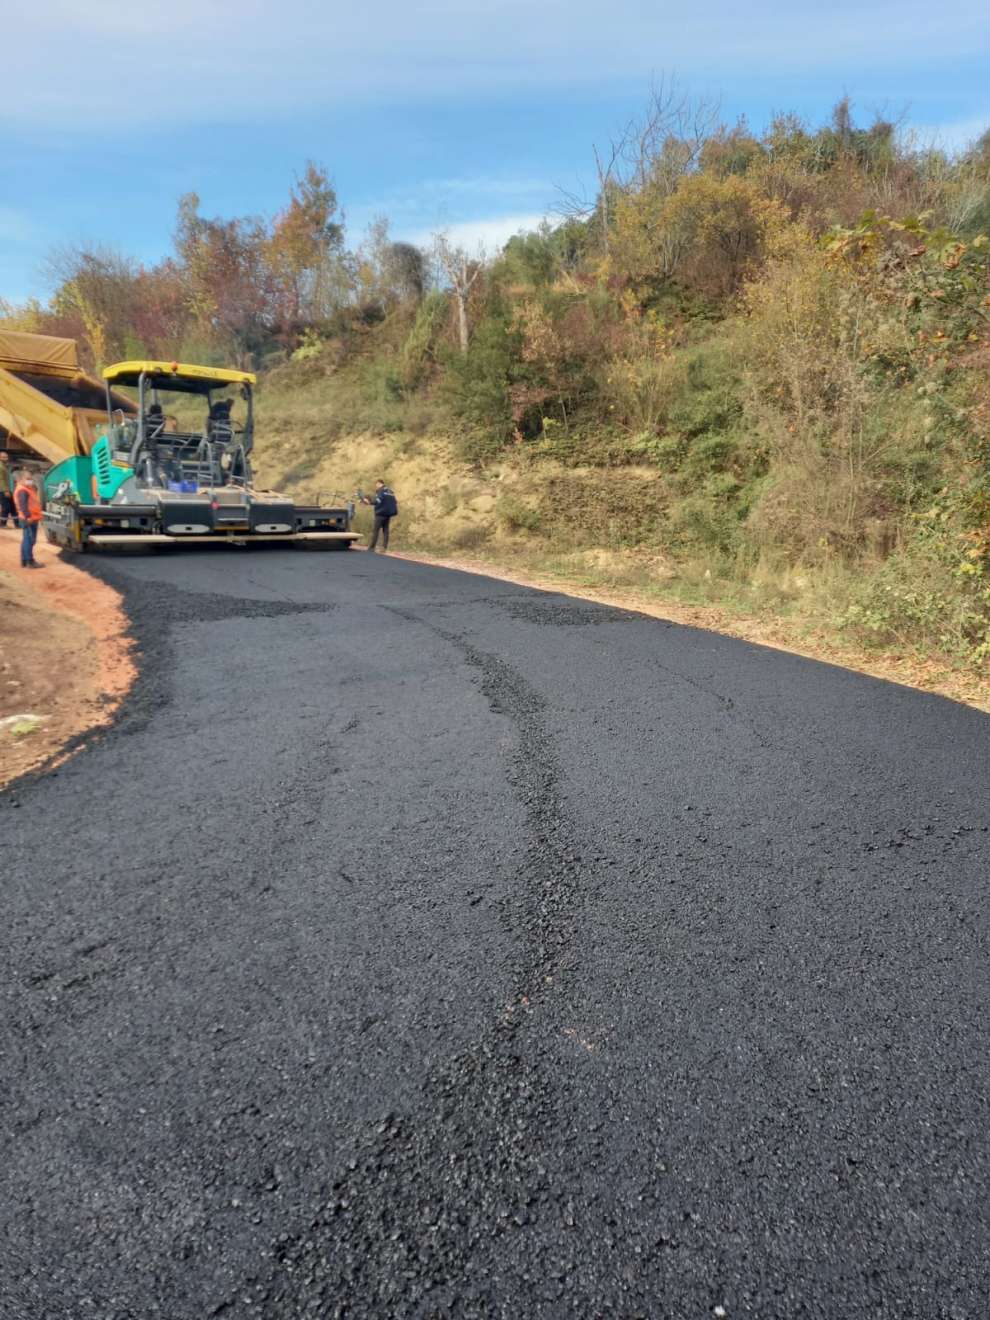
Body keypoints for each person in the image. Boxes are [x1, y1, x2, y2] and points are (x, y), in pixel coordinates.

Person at [14, 470, 43, 568]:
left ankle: (24, 561)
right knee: (29, 540)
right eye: (27, 479)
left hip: (29, 518)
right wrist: (28, 516)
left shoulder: (26, 488)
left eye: (31, 479)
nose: (30, 481)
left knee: (26, 539)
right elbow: (23, 505)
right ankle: (30, 561)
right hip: (29, 518)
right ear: (21, 479)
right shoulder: (23, 490)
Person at [360, 479, 398, 552]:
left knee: (376, 530)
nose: (376, 487)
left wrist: (369, 502)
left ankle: (371, 548)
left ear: (379, 483)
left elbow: (378, 501)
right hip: (388, 514)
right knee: (386, 530)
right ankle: (384, 547)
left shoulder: (381, 491)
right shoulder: (390, 491)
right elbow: (395, 501)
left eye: (376, 485)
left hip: (380, 514)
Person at [0, 451, 13, 528]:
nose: (6, 459)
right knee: (6, 507)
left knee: (7, 506)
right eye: (4, 457)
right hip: (2, 490)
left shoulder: (3, 466)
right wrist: (6, 490)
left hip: (3, 489)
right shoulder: (1, 467)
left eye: (7, 457)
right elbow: (1, 480)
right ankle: (3, 524)